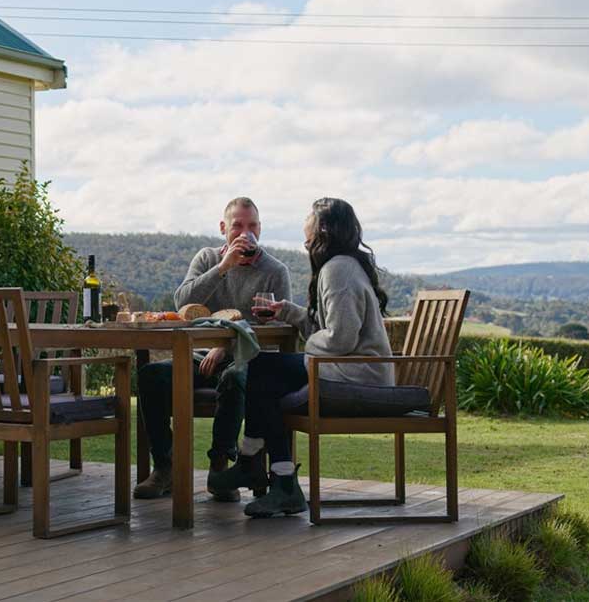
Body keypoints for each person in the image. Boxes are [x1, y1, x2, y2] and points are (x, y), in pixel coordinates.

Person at [211, 197, 394, 517]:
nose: (304, 227)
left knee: (264, 370)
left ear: (323, 228)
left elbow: (341, 338)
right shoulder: (341, 265)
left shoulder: (338, 270)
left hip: (359, 376)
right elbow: (332, 330)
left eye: (309, 218)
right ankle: (272, 474)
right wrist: (290, 312)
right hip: (348, 367)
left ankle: (256, 464)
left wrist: (307, 348)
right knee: (265, 373)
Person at [133, 197, 292, 502]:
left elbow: (279, 330)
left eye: (253, 226)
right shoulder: (207, 259)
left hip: (248, 359)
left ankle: (220, 466)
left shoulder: (275, 270)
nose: (246, 233)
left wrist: (229, 345)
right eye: (238, 226)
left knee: (235, 378)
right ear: (223, 228)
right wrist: (223, 267)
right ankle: (165, 467)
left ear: (260, 229)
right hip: (198, 356)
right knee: (151, 376)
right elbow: (182, 303)